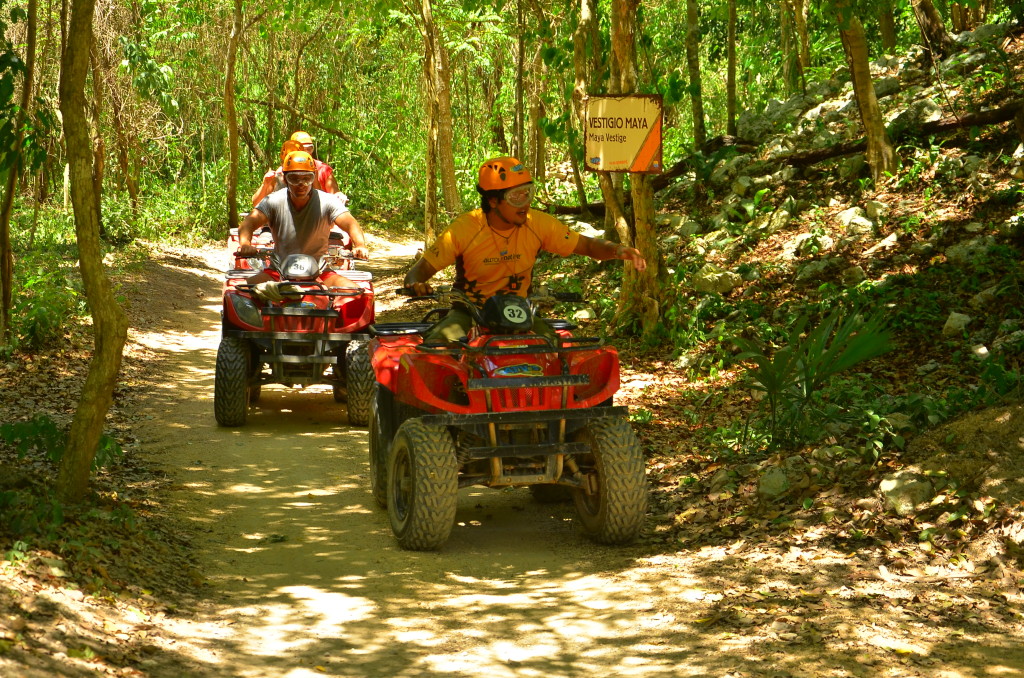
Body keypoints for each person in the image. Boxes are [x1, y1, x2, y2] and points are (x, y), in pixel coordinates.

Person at [403, 156, 646, 342]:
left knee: (552, 348)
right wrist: (416, 284)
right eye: (516, 197)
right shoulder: (465, 228)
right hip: (469, 312)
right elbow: (419, 271)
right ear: (493, 200)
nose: (525, 203)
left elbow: (586, 245)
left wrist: (617, 249)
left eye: (528, 193)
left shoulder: (536, 223)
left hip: (518, 312)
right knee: (440, 345)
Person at [237, 150, 369, 299]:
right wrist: (245, 244)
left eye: (307, 178)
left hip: (320, 271)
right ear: (285, 179)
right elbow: (248, 223)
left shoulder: (327, 201)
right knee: (241, 295)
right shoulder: (273, 201)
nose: (301, 184)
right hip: (278, 270)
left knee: (357, 296)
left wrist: (360, 245)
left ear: (314, 178)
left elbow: (350, 223)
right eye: (294, 179)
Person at [251, 139, 324, 207]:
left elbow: (320, 202)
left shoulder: (309, 176)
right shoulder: (275, 177)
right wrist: (265, 185)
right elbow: (256, 204)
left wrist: (314, 179)